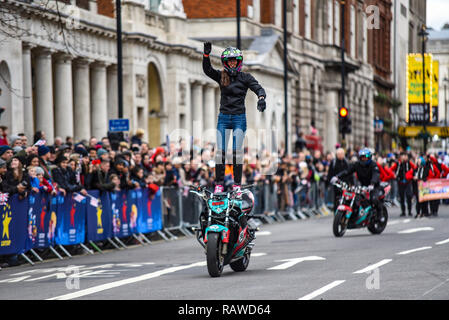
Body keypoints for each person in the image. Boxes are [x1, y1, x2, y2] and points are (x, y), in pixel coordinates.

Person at [202, 42, 266, 196]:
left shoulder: (245, 77)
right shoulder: (222, 75)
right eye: (229, 61)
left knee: (237, 152)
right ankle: (219, 184)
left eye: (234, 61)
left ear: (238, 62)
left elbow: (258, 87)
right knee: (221, 152)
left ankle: (237, 184)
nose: (232, 63)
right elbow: (207, 70)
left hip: (239, 118)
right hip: (224, 117)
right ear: (225, 62)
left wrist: (261, 98)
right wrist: (206, 56)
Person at [331, 148, 382, 219]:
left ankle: (380, 214)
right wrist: (337, 177)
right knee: (356, 199)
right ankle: (355, 215)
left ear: (369, 157)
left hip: (374, 186)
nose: (364, 159)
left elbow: (375, 174)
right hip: (362, 185)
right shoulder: (357, 164)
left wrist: (372, 184)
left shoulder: (373, 165)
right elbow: (347, 171)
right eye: (362, 157)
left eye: (365, 158)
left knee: (374, 199)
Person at [390, 152, 416, 217]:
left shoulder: (409, 163)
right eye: (403, 156)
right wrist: (394, 175)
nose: (404, 157)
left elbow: (415, 168)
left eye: (405, 156)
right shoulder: (397, 164)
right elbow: (390, 170)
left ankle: (409, 211)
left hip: (408, 182)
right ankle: (403, 211)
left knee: (409, 196)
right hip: (400, 181)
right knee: (401, 197)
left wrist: (412, 175)